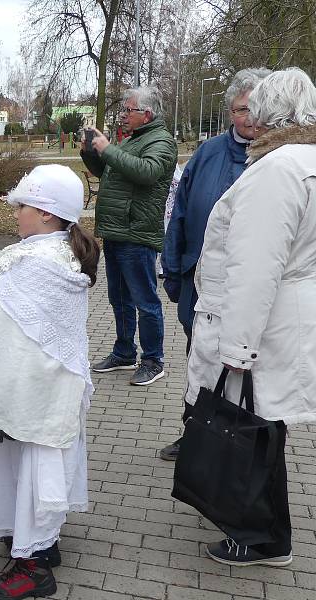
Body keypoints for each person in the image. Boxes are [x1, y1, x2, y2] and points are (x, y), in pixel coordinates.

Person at [183, 67, 316, 566]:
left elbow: (254, 269)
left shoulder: (278, 171)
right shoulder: (305, 162)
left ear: (268, 113)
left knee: (254, 428)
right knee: (266, 426)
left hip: (262, 322)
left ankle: (262, 537)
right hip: (287, 317)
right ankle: (260, 529)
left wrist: (236, 349)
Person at [0, 165, 101, 600]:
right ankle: (39, 541)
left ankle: (35, 567)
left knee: (34, 469)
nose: (16, 212)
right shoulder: (59, 252)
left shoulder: (35, 263)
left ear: (46, 213)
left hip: (31, 390)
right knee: (35, 467)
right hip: (48, 389)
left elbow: (11, 340)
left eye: (22, 205)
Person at [158, 68, 271, 462]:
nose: (250, 117)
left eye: (257, 108)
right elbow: (181, 215)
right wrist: (173, 271)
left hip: (252, 288)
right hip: (198, 281)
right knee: (199, 361)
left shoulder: (279, 159)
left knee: (246, 368)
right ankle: (195, 435)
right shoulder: (207, 154)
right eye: (242, 109)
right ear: (229, 113)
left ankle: (241, 448)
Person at [82, 85, 178, 385]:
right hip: (116, 231)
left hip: (136, 233)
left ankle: (153, 360)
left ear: (146, 114)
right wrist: (92, 152)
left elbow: (146, 172)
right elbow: (110, 171)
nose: (123, 115)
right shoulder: (132, 140)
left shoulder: (162, 141)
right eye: (123, 110)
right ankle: (124, 352)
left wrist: (108, 149)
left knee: (145, 301)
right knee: (119, 298)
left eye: (128, 110)